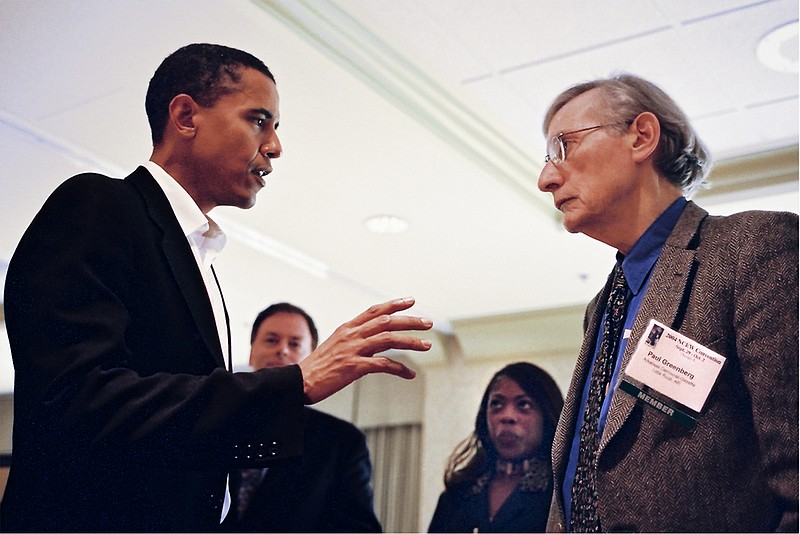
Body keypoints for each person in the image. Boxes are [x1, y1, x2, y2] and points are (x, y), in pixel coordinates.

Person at [0, 43, 432, 532]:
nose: (275, 146)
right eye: (259, 120)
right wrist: (296, 384)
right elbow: (77, 403)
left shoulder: (200, 256)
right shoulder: (98, 204)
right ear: (186, 115)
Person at [537, 73, 798, 532]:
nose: (546, 178)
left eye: (563, 147)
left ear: (641, 137)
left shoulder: (751, 249)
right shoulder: (602, 307)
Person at [224, 302, 382, 532]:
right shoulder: (215, 422)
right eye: (271, 340)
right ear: (250, 353)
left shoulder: (342, 442)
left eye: (295, 344)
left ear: (313, 359)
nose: (283, 350)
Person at [428, 362, 564, 533]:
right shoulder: (457, 494)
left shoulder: (560, 495)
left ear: (547, 416)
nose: (507, 416)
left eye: (523, 404)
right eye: (496, 404)